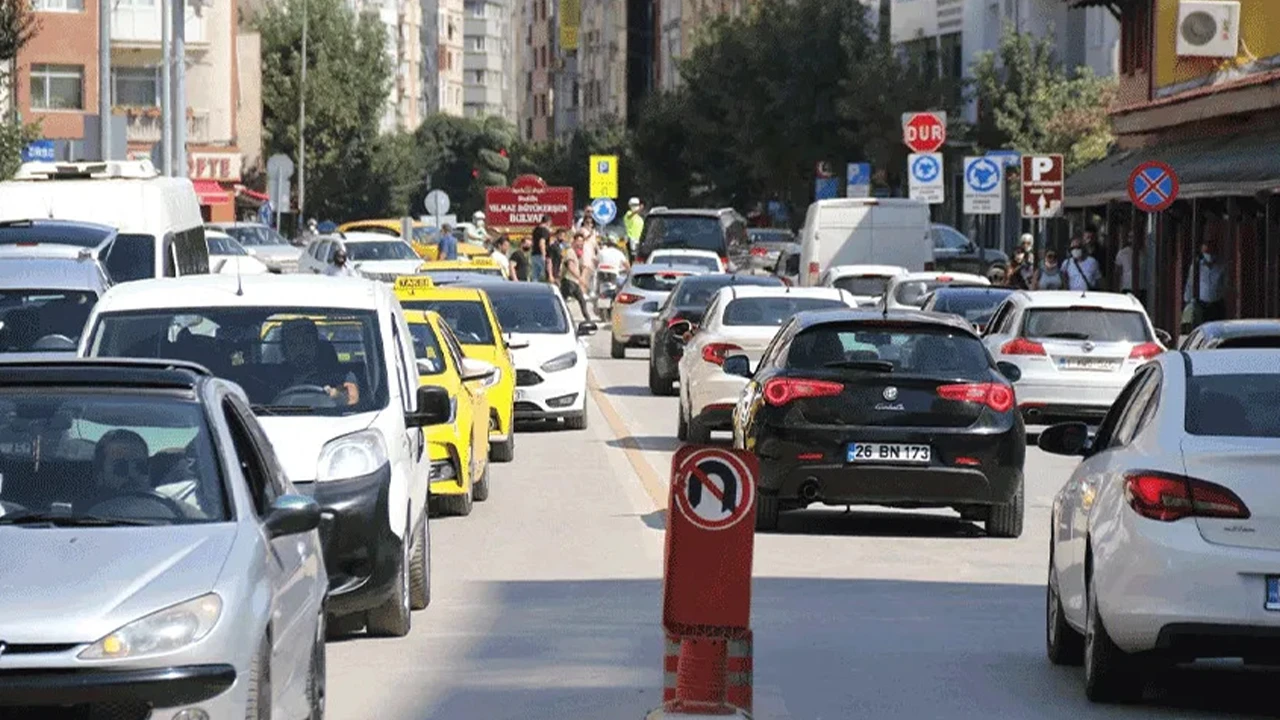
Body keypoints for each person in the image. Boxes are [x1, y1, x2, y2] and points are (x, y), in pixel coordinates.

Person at [280, 318, 360, 405]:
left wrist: (338, 396)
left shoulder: (341, 375)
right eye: (293, 344)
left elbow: (353, 400)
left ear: (317, 346)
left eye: (307, 342)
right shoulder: (274, 377)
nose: (301, 349)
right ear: (284, 350)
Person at [1183, 239, 1226, 329]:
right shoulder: (1197, 266)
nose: (1209, 255)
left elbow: (1226, 284)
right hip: (1201, 304)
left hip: (1216, 304)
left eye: (1210, 251)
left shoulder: (1221, 266)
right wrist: (1188, 300)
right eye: (1206, 252)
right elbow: (1190, 283)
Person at [560, 232, 593, 320]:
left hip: (574, 281)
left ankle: (588, 319)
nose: (580, 244)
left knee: (581, 300)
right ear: (573, 241)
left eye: (582, 242)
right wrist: (580, 278)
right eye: (578, 241)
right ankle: (562, 318)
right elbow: (570, 267)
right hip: (568, 281)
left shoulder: (575, 253)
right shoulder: (570, 251)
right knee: (563, 301)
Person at [580, 215, 600, 297]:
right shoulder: (582, 230)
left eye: (591, 223)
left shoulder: (594, 232)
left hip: (591, 253)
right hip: (585, 252)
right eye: (587, 222)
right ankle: (582, 291)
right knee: (584, 272)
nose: (589, 224)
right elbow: (582, 239)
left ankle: (588, 291)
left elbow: (595, 244)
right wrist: (590, 234)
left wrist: (599, 252)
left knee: (591, 273)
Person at [531, 215, 551, 282]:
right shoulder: (544, 230)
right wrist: (544, 255)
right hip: (540, 255)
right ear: (548, 222)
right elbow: (542, 242)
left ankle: (534, 290)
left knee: (535, 277)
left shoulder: (535, 230)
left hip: (534, 255)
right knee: (546, 275)